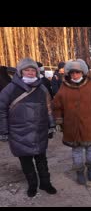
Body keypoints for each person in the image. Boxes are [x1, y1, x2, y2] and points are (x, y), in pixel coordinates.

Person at [0, 57, 57, 197]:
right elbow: (1, 111)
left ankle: (45, 183)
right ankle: (32, 185)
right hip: (19, 132)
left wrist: (51, 125)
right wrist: (4, 131)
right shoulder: (10, 89)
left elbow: (49, 108)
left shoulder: (42, 88)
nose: (30, 72)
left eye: (33, 70)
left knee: (41, 160)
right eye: (27, 70)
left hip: (39, 130)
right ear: (20, 72)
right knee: (26, 161)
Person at [53, 59, 91, 185]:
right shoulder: (64, 87)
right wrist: (58, 119)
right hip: (72, 126)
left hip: (90, 125)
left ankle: (90, 169)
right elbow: (57, 105)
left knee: (90, 150)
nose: (75, 75)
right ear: (69, 73)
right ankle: (79, 172)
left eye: (78, 72)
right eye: (72, 72)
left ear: (83, 72)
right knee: (76, 151)